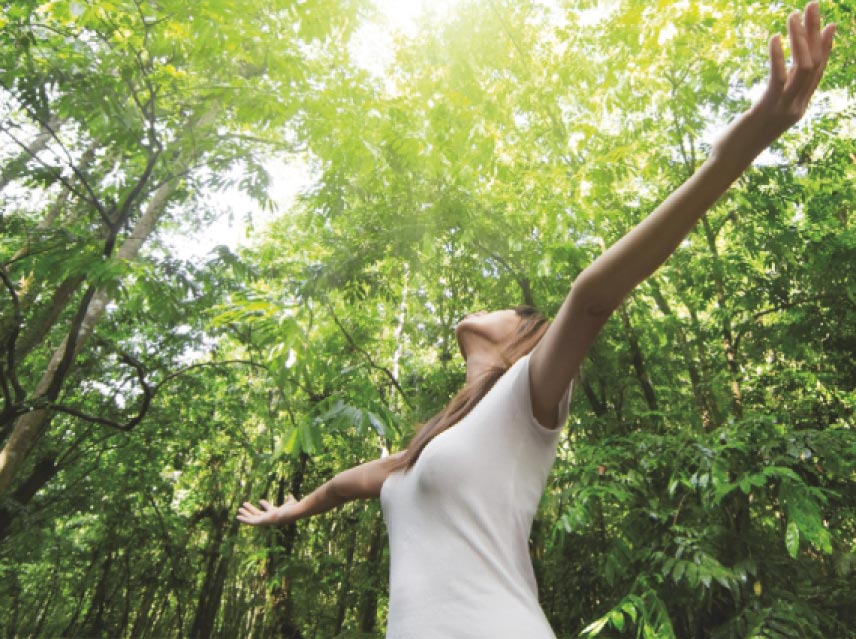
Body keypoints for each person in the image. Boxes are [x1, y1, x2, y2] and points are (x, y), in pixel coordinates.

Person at [237, 3, 836, 636]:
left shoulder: (528, 398)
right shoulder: (421, 453)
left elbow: (591, 297)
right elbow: (341, 485)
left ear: (522, 340)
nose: (485, 306)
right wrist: (289, 511)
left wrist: (738, 148)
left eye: (509, 309)